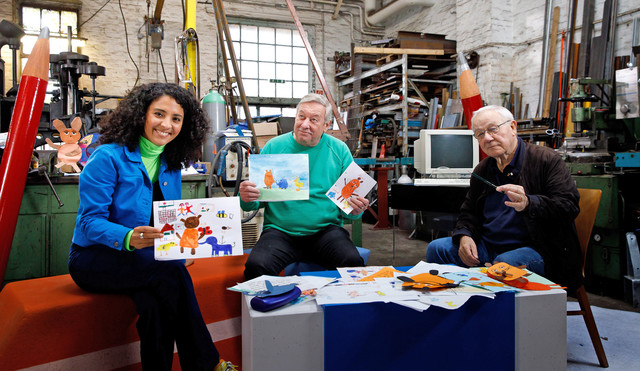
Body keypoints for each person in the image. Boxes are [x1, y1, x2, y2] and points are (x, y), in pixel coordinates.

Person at [69, 83, 236, 371]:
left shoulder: (170, 163)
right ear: (141, 114)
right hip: (94, 258)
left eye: (176, 119)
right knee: (170, 272)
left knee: (156, 305)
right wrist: (128, 236)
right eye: (159, 114)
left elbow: (170, 221)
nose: (166, 125)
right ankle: (206, 364)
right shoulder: (107, 157)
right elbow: (88, 222)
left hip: (146, 261)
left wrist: (182, 245)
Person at [426, 105, 582, 290]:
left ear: (513, 127)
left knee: (504, 264)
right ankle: (456, 310)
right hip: (489, 246)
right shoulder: (483, 169)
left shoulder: (546, 160)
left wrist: (528, 203)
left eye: (493, 129)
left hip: (539, 249)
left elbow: (568, 206)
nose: (488, 138)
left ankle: (497, 315)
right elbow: (468, 212)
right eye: (480, 134)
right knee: (437, 248)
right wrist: (464, 236)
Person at [240, 93, 368, 280]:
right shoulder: (274, 147)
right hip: (280, 232)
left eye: (314, 120)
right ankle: (265, 307)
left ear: (326, 125)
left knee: (352, 263)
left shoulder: (339, 150)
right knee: (255, 267)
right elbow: (253, 203)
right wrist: (245, 198)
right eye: (301, 117)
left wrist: (357, 209)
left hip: (326, 231)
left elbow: (350, 209)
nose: (305, 124)